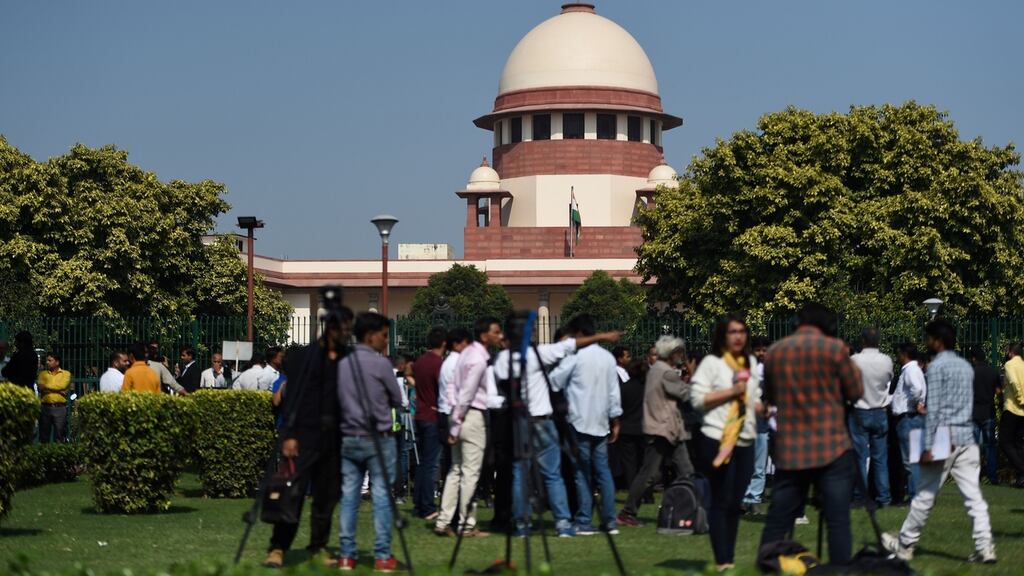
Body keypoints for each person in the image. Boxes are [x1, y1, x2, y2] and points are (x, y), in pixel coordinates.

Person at [882, 319, 996, 564]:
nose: (927, 342)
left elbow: (935, 410)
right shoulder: (966, 366)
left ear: (938, 340)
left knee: (924, 495)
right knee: (974, 497)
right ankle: (985, 547)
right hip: (967, 435)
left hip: (945, 437)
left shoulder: (936, 368)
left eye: (929, 338)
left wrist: (929, 446)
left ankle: (905, 544)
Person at [759, 303, 862, 566]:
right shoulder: (836, 349)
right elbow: (855, 392)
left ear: (796, 323)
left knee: (778, 518)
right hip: (832, 447)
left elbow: (770, 396)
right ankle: (840, 571)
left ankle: (769, 566)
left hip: (791, 450)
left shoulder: (775, 353)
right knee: (837, 520)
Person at [263, 305, 353, 569]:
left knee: (326, 497)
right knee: (292, 493)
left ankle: (318, 546)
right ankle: (278, 547)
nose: (348, 335)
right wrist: (289, 435)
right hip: (302, 438)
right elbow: (292, 401)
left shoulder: (347, 359)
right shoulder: (304, 357)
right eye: (345, 330)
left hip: (334, 440)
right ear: (333, 329)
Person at [689, 315, 760, 571]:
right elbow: (696, 400)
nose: (738, 336)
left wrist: (765, 408)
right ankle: (723, 561)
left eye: (742, 331)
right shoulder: (712, 363)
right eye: (733, 331)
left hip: (746, 439)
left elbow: (753, 398)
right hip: (717, 438)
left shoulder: (749, 361)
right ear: (722, 335)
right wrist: (731, 391)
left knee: (735, 503)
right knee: (721, 499)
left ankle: (728, 557)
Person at [336, 312, 404, 572]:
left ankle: (346, 554)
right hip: (378, 438)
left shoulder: (343, 364)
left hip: (350, 437)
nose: (386, 341)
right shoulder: (381, 365)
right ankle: (382, 555)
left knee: (350, 496)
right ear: (370, 335)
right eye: (384, 336)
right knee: (382, 496)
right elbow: (397, 398)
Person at [549, 314, 622, 536]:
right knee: (603, 472)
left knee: (582, 473)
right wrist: (615, 419)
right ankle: (609, 521)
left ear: (579, 334)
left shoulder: (576, 357)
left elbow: (554, 380)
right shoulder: (608, 358)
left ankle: (584, 520)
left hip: (578, 421)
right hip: (601, 421)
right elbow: (613, 392)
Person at [618, 335, 695, 527]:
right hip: (665, 429)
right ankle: (627, 512)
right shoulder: (667, 373)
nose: (681, 356)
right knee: (650, 474)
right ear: (670, 353)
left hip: (665, 428)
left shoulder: (656, 370)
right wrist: (694, 376)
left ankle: (693, 509)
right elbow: (686, 394)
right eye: (678, 352)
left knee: (684, 471)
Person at [435, 319, 498, 538]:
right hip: (469, 415)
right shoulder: (476, 359)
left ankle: (444, 520)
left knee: (456, 470)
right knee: (470, 472)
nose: (499, 336)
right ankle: (466, 524)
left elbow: (452, 388)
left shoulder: (459, 359)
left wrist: (454, 417)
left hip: (457, 413)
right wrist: (458, 419)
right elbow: (467, 393)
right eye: (495, 332)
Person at [849, 327, 894, 507]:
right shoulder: (886, 360)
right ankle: (883, 497)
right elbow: (888, 381)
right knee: (880, 458)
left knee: (860, 457)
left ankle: (860, 496)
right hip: (880, 410)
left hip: (860, 410)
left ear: (863, 341)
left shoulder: (854, 360)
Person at [411, 327, 447, 520]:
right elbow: (443, 387)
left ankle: (418, 504)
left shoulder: (421, 361)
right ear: (444, 343)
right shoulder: (438, 363)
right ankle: (427, 506)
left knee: (423, 462)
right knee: (432, 463)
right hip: (433, 416)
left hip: (420, 414)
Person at [742, 336, 771, 513]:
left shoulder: (772, 370)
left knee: (760, 463)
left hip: (763, 423)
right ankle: (745, 494)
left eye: (764, 350)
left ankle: (755, 494)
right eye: (758, 350)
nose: (761, 353)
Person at [614, 359, 648, 491]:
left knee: (629, 463)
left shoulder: (623, 388)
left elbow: (618, 407)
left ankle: (633, 489)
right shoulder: (647, 388)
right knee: (645, 462)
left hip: (627, 428)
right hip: (644, 427)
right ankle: (647, 492)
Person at [969, 346, 1000, 485]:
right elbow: (999, 391)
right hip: (989, 412)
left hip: (973, 413)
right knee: (990, 446)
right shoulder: (993, 372)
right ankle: (992, 476)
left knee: (974, 447)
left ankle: (973, 476)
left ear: (974, 358)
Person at [1001, 343, 1024, 488]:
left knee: (1004, 442)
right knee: (1019, 443)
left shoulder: (1009, 365)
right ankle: (1022, 478)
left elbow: (1014, 382)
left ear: (1010, 353)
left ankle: (1022, 470)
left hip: (1013, 408)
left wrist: (1021, 399)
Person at [37, 352, 72, 443]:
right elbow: (41, 388)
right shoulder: (42, 374)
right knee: (44, 437)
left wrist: (46, 387)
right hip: (45, 407)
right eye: (46, 360)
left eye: (50, 360)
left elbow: (62, 385)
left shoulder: (66, 374)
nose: (47, 362)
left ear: (57, 362)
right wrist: (60, 390)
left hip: (60, 408)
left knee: (59, 437)